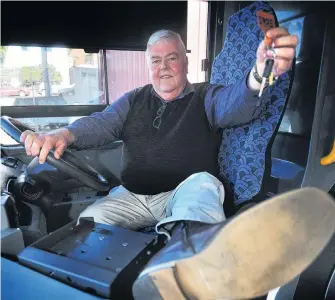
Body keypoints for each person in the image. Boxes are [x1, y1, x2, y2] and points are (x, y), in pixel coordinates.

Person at [20, 28, 332, 299]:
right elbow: (99, 124)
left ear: (184, 61)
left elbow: (240, 103)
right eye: (156, 60)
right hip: (131, 196)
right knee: (85, 226)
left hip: (185, 189)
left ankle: (189, 266)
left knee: (204, 187)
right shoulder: (132, 100)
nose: (164, 67)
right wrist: (63, 133)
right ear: (148, 66)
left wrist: (260, 74)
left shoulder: (206, 97)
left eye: (172, 58)